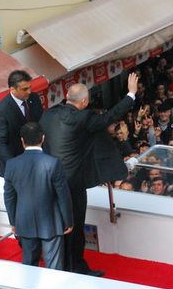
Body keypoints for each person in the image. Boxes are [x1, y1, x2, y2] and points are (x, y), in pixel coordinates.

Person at [40, 72, 138, 276]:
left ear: (67, 96)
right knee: (74, 228)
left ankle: (57, 265)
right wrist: (131, 94)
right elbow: (110, 117)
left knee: (57, 225)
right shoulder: (85, 118)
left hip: (48, 179)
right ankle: (75, 268)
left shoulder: (48, 115)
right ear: (84, 101)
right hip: (72, 184)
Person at [3, 122, 73, 270]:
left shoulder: (11, 164)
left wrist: (13, 222)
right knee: (53, 269)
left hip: (24, 221)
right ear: (43, 138)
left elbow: (9, 197)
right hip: (51, 223)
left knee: (29, 268)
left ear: (22, 140)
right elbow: (63, 195)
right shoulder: (53, 163)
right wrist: (68, 220)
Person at [0, 70, 44, 177]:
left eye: (30, 87)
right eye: (25, 89)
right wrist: (15, 166)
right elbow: (0, 142)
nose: (29, 91)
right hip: (15, 165)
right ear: (12, 89)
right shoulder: (2, 110)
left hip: (36, 161)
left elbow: (41, 124)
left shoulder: (34, 98)